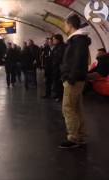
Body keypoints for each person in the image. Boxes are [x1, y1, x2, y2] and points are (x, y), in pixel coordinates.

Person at [59, 14, 91, 149]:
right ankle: (81, 136)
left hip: (74, 80)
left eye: (65, 24)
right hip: (77, 79)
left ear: (70, 25)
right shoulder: (77, 39)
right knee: (77, 108)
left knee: (68, 108)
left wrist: (70, 77)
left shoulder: (77, 40)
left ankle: (73, 137)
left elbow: (78, 61)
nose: (64, 27)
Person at [51, 34, 66, 102]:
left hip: (60, 68)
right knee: (57, 82)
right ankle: (57, 95)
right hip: (56, 67)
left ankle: (60, 96)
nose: (53, 41)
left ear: (58, 40)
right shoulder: (57, 47)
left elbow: (60, 58)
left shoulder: (62, 47)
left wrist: (55, 62)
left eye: (54, 39)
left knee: (59, 83)